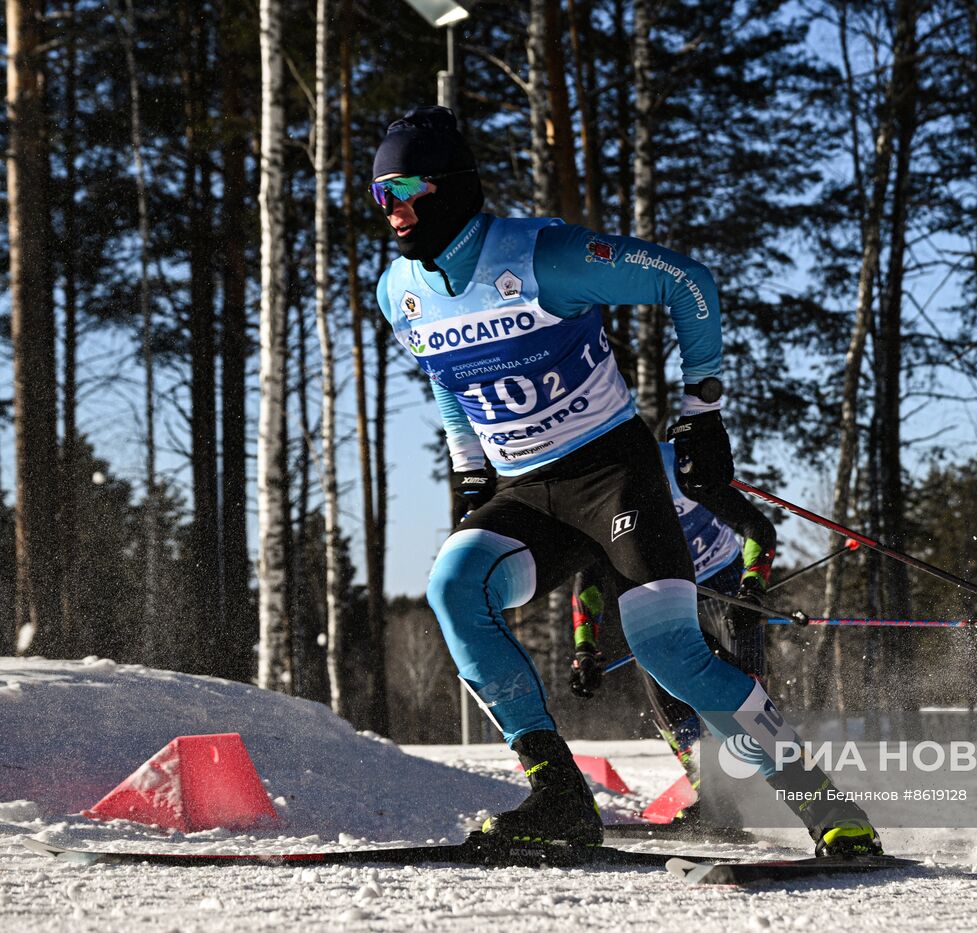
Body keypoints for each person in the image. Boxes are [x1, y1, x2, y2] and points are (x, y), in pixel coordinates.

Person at [372, 106, 880, 856]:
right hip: (526, 491)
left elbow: (688, 282)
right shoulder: (398, 292)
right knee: (455, 584)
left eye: (407, 188)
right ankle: (557, 793)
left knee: (666, 649)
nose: (396, 210)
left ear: (450, 187)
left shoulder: (545, 255)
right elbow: (444, 375)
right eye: (380, 195)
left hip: (613, 474)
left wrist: (703, 412)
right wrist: (472, 475)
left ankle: (826, 807)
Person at [570, 439, 777, 829]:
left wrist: (752, 587)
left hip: (723, 580)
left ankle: (784, 790)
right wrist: (585, 647)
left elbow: (757, 528)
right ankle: (713, 795)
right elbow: (590, 575)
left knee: (743, 692)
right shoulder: (599, 496)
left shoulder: (677, 469)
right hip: (661, 592)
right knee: (665, 683)